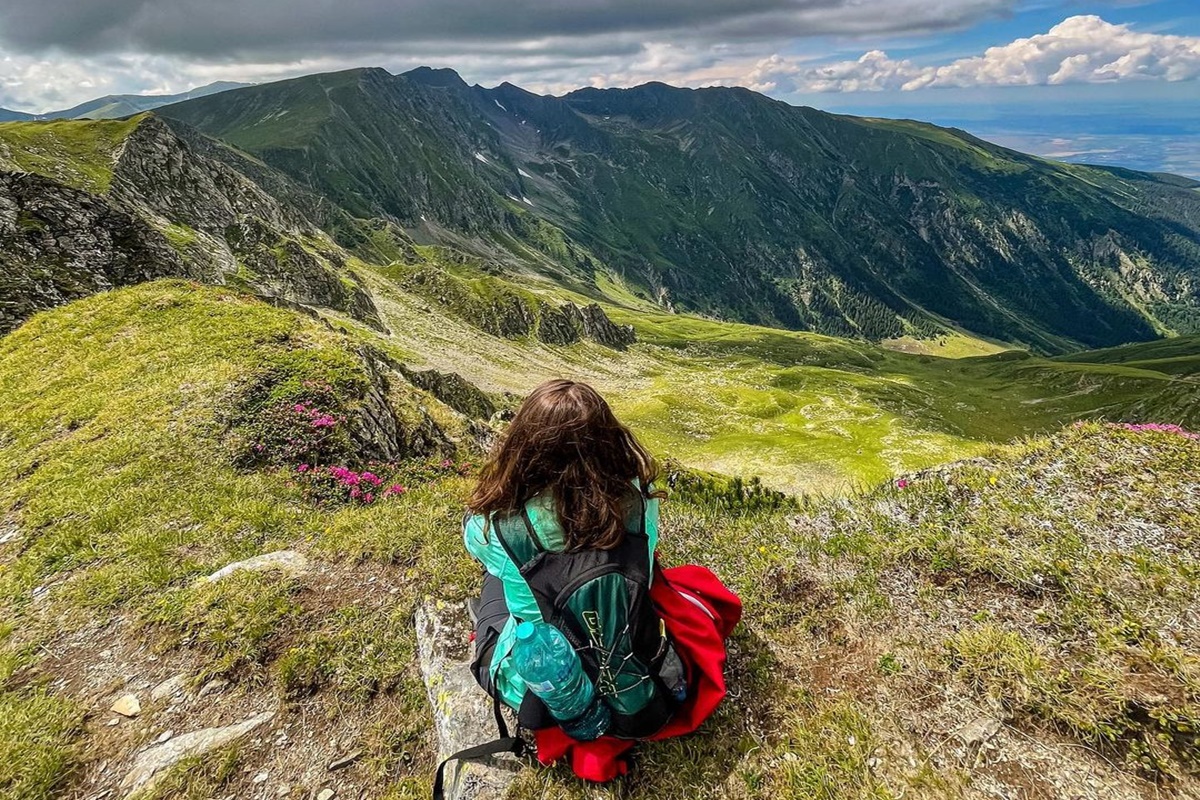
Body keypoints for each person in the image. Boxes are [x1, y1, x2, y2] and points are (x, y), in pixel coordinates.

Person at [459, 378, 742, 784]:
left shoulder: (493, 526)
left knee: (495, 582)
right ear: (608, 439)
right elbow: (647, 562)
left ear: (523, 446)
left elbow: (480, 546)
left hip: (550, 683)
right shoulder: (637, 498)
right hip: (632, 664)